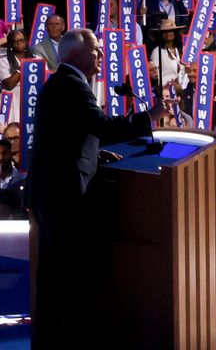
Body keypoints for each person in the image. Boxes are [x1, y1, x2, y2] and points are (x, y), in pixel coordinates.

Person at [27, 29, 151, 342]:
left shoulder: (63, 82)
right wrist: (149, 118)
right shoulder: (70, 83)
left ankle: (49, 338)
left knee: (53, 271)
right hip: (63, 191)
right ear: (75, 54)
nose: (100, 55)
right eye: (95, 49)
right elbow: (99, 124)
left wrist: (93, 152)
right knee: (68, 271)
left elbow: (66, 132)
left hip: (49, 189)